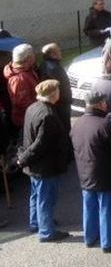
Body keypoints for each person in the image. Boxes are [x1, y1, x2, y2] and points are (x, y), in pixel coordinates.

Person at [71, 91, 111, 252]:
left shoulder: (78, 123)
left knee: (89, 206)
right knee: (107, 209)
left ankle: (90, 237)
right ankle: (108, 242)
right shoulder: (105, 124)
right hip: (104, 174)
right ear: (100, 104)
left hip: (84, 173)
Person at [17, 80, 71, 242]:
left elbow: (26, 136)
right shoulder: (48, 115)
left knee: (36, 196)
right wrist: (23, 159)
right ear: (54, 94)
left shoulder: (32, 107)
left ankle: (36, 222)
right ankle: (46, 231)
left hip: (35, 166)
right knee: (45, 199)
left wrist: (23, 156)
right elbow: (40, 145)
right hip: (45, 167)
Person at [3, 43, 39, 132]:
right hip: (26, 120)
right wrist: (40, 109)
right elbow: (22, 103)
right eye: (33, 54)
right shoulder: (18, 79)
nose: (35, 56)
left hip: (32, 116)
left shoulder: (27, 69)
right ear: (28, 58)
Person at [39, 43, 72, 132]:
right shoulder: (54, 68)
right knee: (64, 127)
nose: (61, 53)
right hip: (61, 103)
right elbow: (62, 86)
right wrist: (68, 100)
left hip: (54, 101)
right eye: (58, 51)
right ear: (53, 54)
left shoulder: (43, 64)